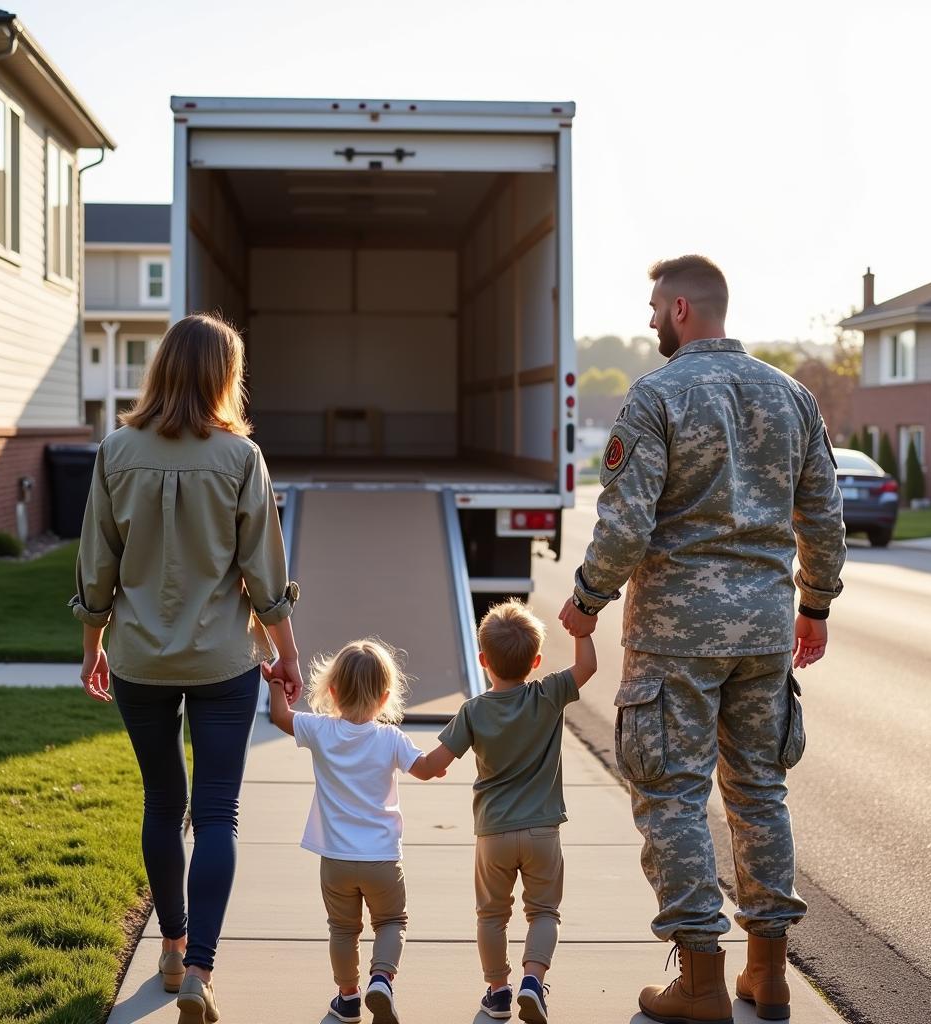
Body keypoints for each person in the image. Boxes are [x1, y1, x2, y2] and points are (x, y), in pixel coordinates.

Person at [559, 255, 846, 1024]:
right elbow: (822, 513)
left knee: (673, 796)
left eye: (656, 306)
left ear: (683, 309)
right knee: (759, 793)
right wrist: (814, 603)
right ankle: (770, 973)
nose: (650, 318)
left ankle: (699, 980)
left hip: (675, 637)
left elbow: (625, 524)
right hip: (761, 632)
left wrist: (586, 600)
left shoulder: (658, 396)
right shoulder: (792, 396)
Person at [71, 312, 302, 1024]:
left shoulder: (114, 449)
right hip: (222, 661)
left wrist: (92, 647)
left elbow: (96, 562)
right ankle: (201, 967)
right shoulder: (241, 459)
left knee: (161, 805)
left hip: (139, 657)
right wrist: (287, 653)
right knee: (218, 814)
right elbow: (265, 575)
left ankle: (170, 948)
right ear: (222, 376)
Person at [415, 600, 598, 1024]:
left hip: (493, 833)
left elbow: (431, 765)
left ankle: (498, 992)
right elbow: (586, 667)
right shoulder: (548, 693)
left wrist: (408, 762)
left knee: (492, 915)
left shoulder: (473, 711)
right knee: (544, 912)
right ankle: (533, 980)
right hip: (542, 832)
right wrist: (582, 630)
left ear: (482, 660)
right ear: (535, 661)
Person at [268, 638, 446, 1024]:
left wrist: (274, 686)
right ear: (385, 698)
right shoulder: (391, 739)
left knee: (343, 929)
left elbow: (281, 718)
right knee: (391, 922)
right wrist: (449, 752)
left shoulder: (319, 730)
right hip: (382, 859)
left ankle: (348, 997)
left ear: (332, 691)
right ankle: (380, 979)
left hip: (335, 860)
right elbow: (428, 769)